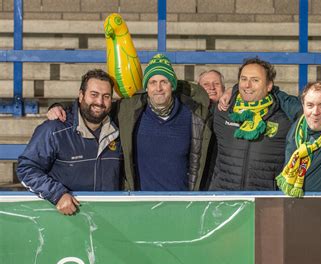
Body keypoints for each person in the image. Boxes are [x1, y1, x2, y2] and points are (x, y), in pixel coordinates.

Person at [47, 54, 211, 191]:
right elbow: (94, 107)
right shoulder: (129, 110)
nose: (158, 88)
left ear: (172, 85)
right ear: (146, 87)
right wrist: (59, 106)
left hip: (182, 203)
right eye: (153, 82)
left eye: (164, 82)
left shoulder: (194, 114)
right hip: (141, 204)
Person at [17, 69, 122, 215]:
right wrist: (57, 194)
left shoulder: (119, 130)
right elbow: (26, 169)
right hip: (68, 220)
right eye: (94, 94)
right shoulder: (54, 129)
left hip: (110, 221)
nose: (100, 102)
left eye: (106, 96)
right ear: (81, 96)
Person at [209, 57, 300, 190]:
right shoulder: (223, 110)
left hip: (266, 201)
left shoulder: (284, 118)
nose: (247, 85)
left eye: (255, 80)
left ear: (269, 85)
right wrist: (233, 90)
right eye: (243, 79)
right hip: (224, 198)